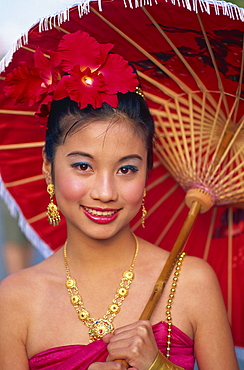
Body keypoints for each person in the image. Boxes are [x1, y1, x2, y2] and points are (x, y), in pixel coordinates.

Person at [0, 30, 239, 370]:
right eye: (83, 166)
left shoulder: (191, 281)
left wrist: (157, 366)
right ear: (48, 167)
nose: (105, 192)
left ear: (148, 174)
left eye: (127, 169)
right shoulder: (15, 300)